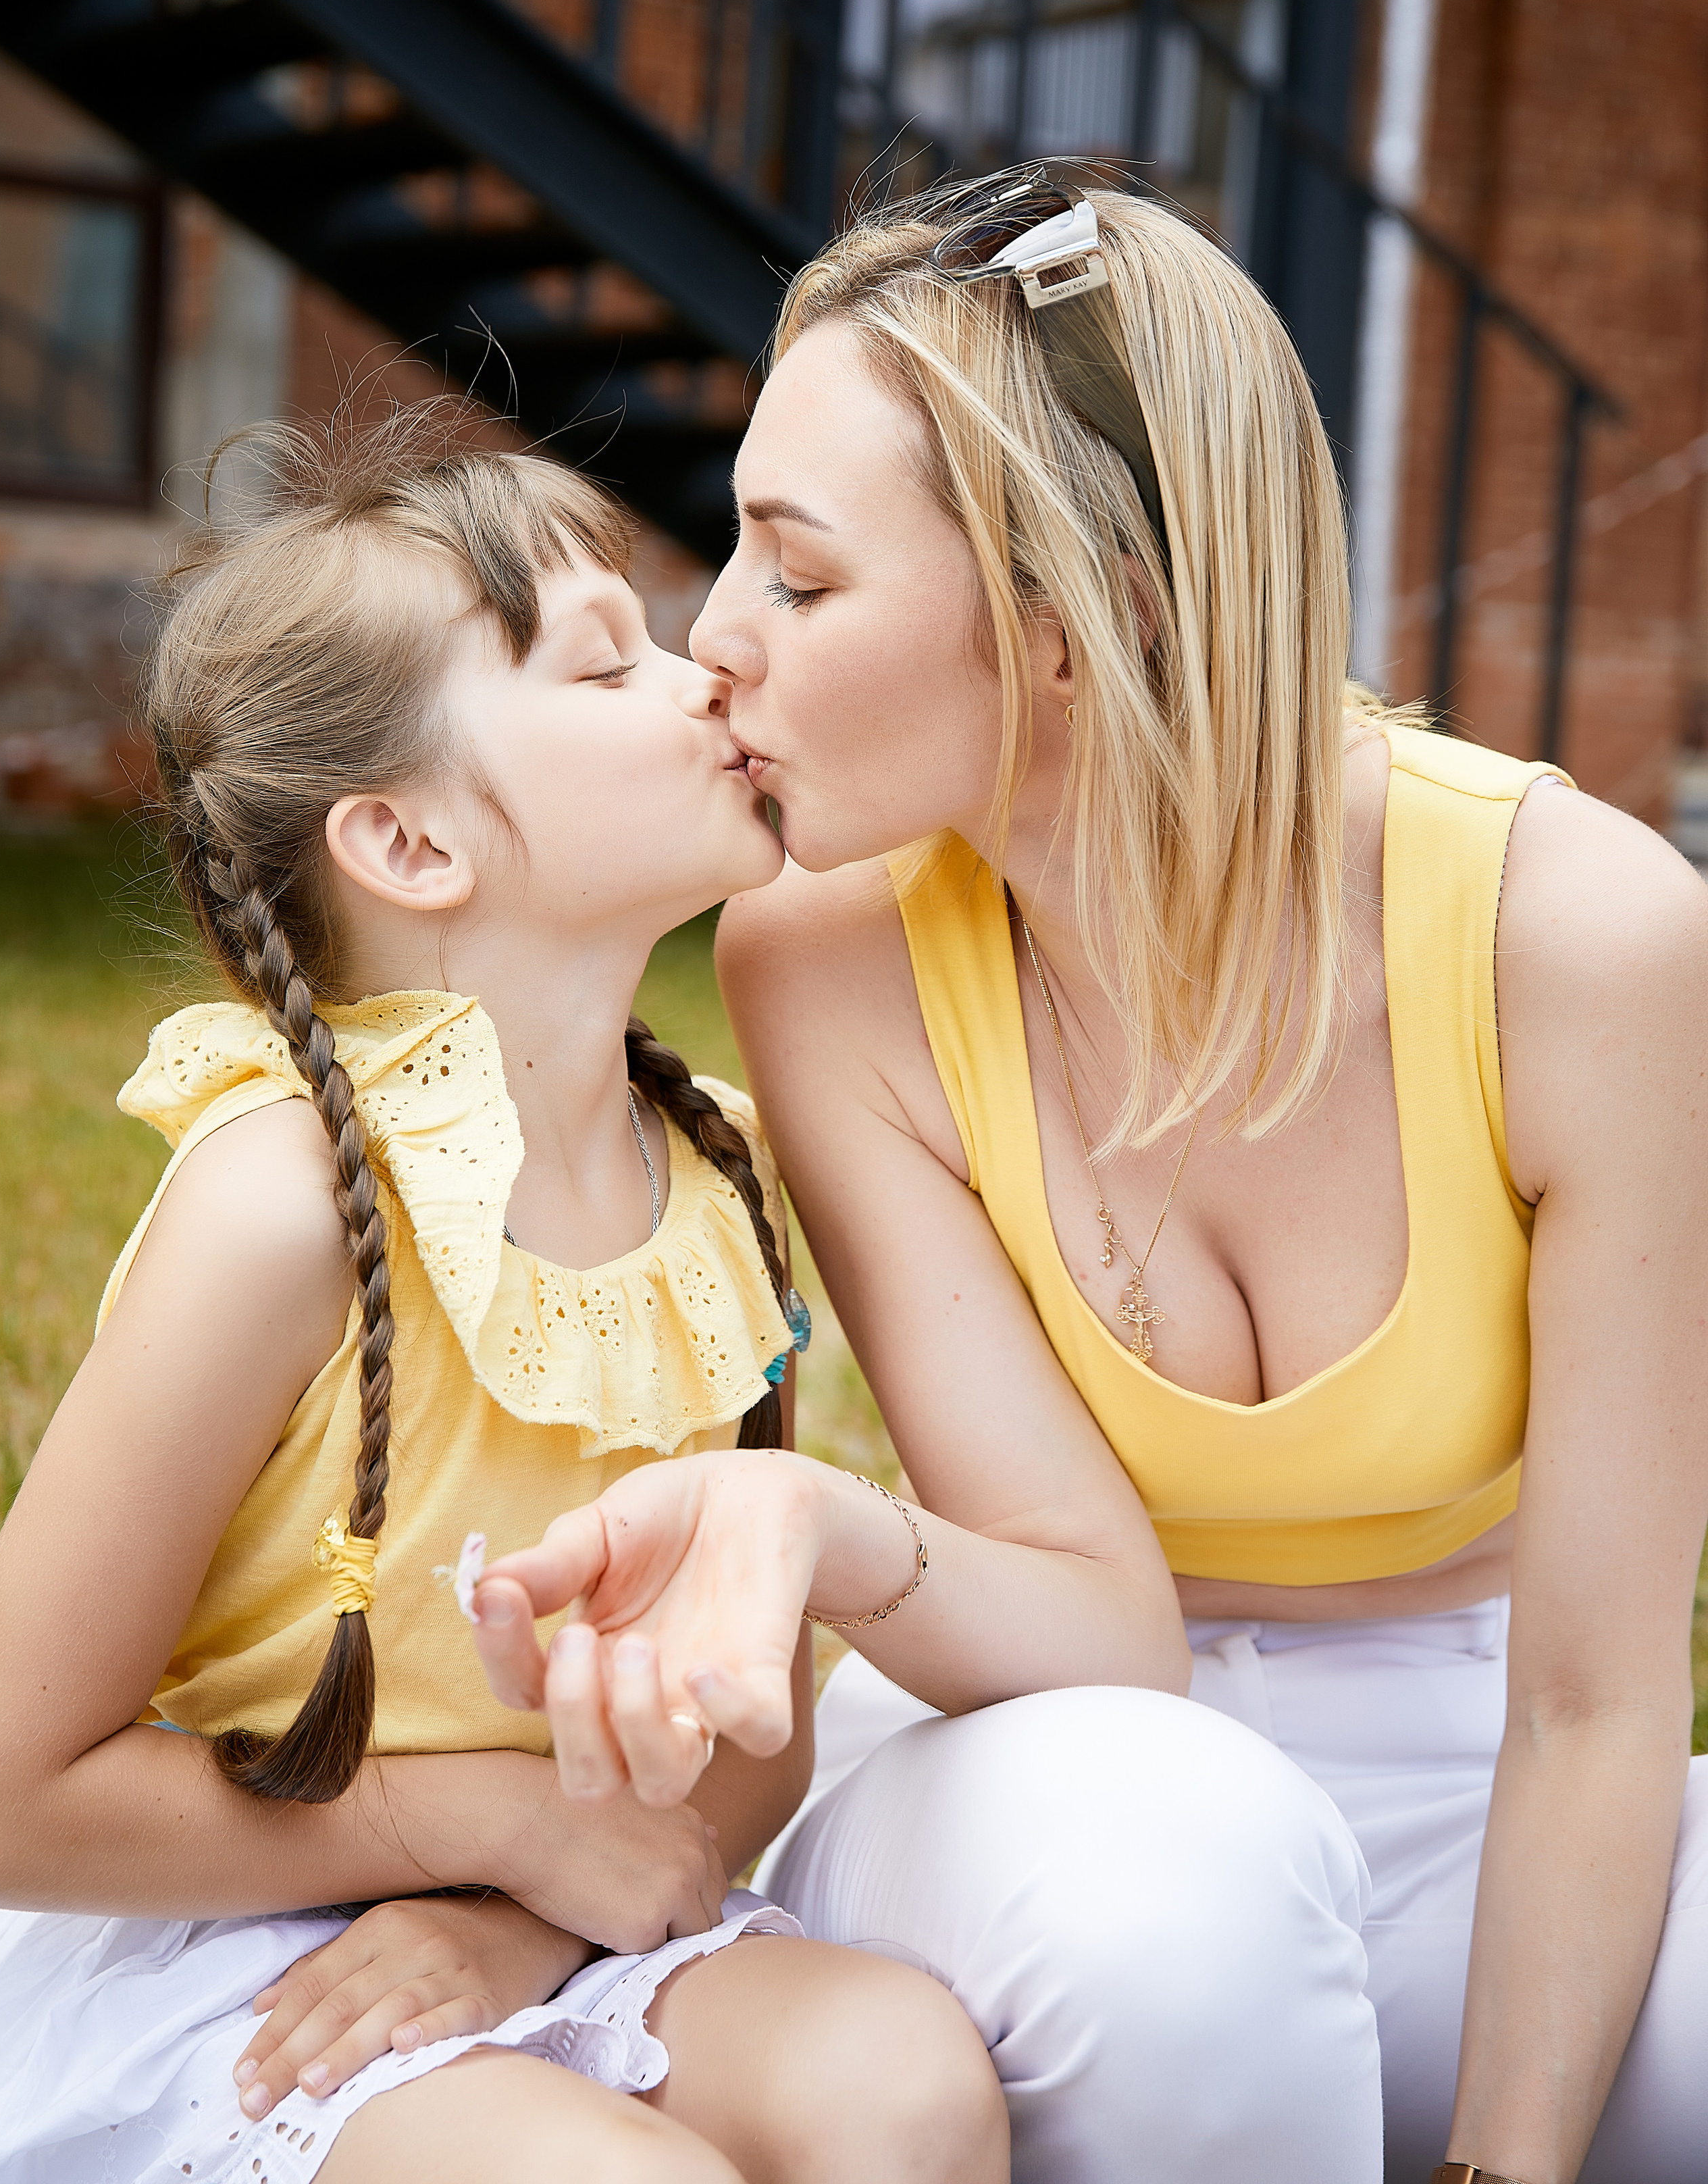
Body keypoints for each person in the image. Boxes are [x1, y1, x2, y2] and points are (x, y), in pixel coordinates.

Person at [463, 172, 1708, 2184]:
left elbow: (1594, 1698)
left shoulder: (1585, 944)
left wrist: (1506, 2166)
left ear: (1076, 611)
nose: (717, 642)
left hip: (1487, 1775)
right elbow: (1072, 1613)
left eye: (798, 574)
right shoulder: (826, 959)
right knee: (1178, 1907)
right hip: (1057, 1781)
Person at [0, 411, 1008, 2184]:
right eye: (608, 667)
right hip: (244, 1944)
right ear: (413, 844)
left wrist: (532, 1910)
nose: (703, 681)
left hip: (573, 1911)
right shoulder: (286, 1207)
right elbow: (6, 1787)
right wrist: (488, 1822)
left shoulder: (718, 1177)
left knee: (906, 2086)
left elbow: (747, 1730)